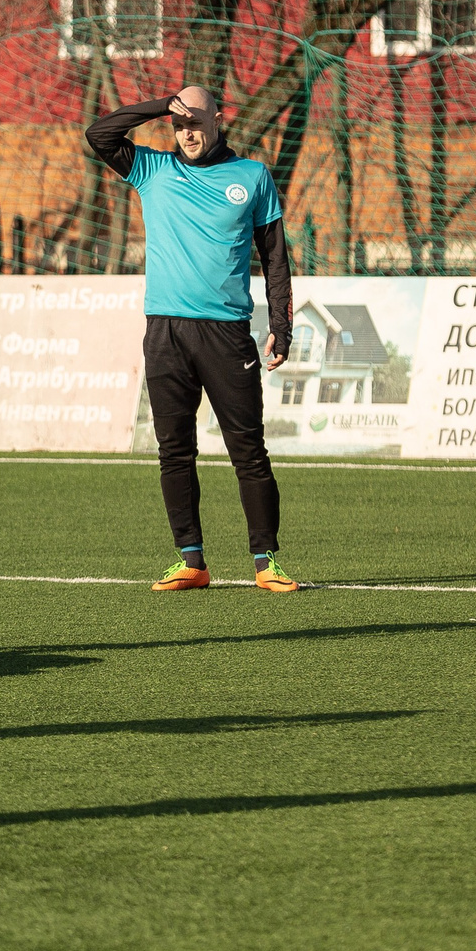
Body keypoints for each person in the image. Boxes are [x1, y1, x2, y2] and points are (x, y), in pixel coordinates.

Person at [84, 84, 297, 593]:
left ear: (218, 121)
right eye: (179, 125)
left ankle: (266, 561)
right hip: (165, 332)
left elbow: (275, 258)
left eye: (195, 123)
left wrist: (281, 326)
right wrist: (162, 106)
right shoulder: (152, 169)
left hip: (226, 334)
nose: (187, 133)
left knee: (248, 450)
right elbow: (99, 134)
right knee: (174, 450)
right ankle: (191, 560)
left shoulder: (252, 176)